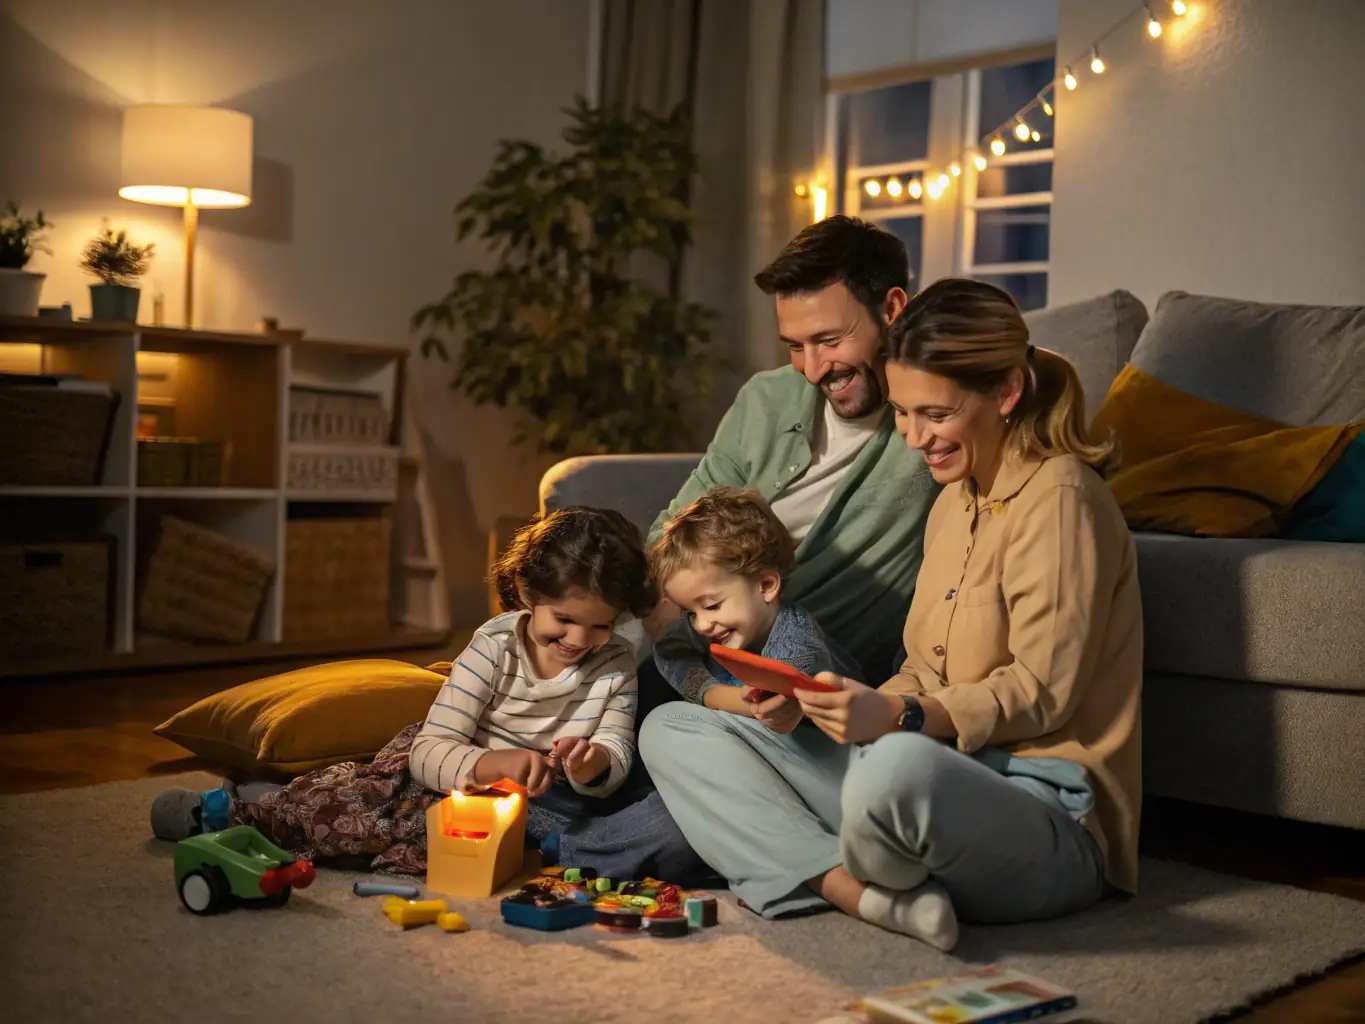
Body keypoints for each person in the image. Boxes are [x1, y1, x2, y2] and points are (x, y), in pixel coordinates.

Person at [641, 278, 1143, 951]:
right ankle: (860, 891)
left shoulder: (1060, 498)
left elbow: (1040, 693)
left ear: (1005, 392)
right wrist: (843, 707)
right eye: (903, 414)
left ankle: (846, 857)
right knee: (672, 728)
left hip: (1042, 813)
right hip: (926, 773)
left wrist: (901, 717)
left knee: (893, 769)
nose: (912, 439)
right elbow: (918, 670)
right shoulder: (952, 500)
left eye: (933, 415)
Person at [152, 507, 711, 885]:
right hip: (452, 784)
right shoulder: (495, 646)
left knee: (680, 823)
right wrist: (492, 762)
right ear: (525, 593)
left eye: (600, 627)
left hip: (556, 810)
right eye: (564, 622)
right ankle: (235, 811)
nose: (580, 642)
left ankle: (550, 855)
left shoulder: (614, 663)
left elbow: (615, 748)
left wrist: (596, 766)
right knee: (346, 818)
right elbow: (431, 750)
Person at [641, 216, 940, 690]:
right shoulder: (766, 398)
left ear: (892, 308)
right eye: (795, 346)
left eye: (829, 340)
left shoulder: (936, 424)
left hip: (821, 678)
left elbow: (1023, 370)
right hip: (711, 647)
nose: (814, 368)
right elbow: (671, 532)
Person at [650, 486, 863, 731]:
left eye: (712, 605)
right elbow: (668, 647)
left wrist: (749, 705)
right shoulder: (714, 627)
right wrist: (711, 692)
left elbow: (772, 706)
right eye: (690, 612)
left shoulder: (797, 643)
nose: (701, 624)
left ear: (766, 585)